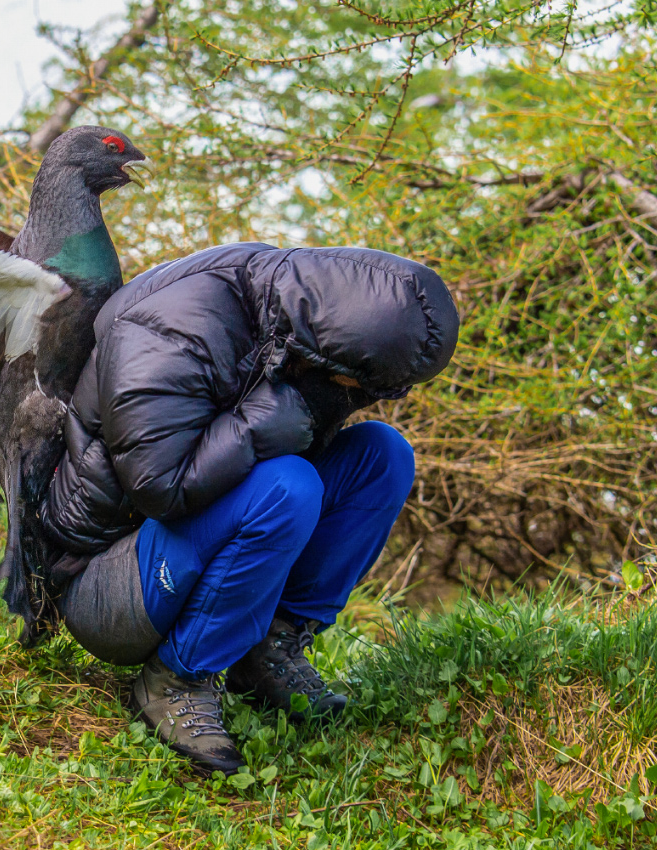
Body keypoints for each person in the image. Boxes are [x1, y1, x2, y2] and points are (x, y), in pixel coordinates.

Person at [39, 242, 459, 774]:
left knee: (384, 457)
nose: (367, 395)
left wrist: (307, 410)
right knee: (290, 485)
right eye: (367, 384)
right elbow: (158, 486)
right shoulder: (170, 329)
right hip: (104, 580)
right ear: (339, 352)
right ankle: (175, 678)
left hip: (184, 538)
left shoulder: (295, 324)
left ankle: (268, 653)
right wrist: (274, 418)